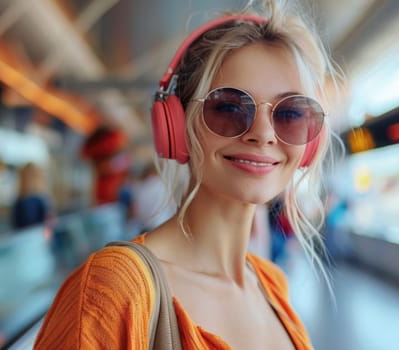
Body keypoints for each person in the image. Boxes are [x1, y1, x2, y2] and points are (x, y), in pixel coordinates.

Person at [35, 0, 342, 348]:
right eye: (229, 107)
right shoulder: (113, 290)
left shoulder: (271, 284)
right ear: (176, 127)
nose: (264, 134)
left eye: (290, 114)